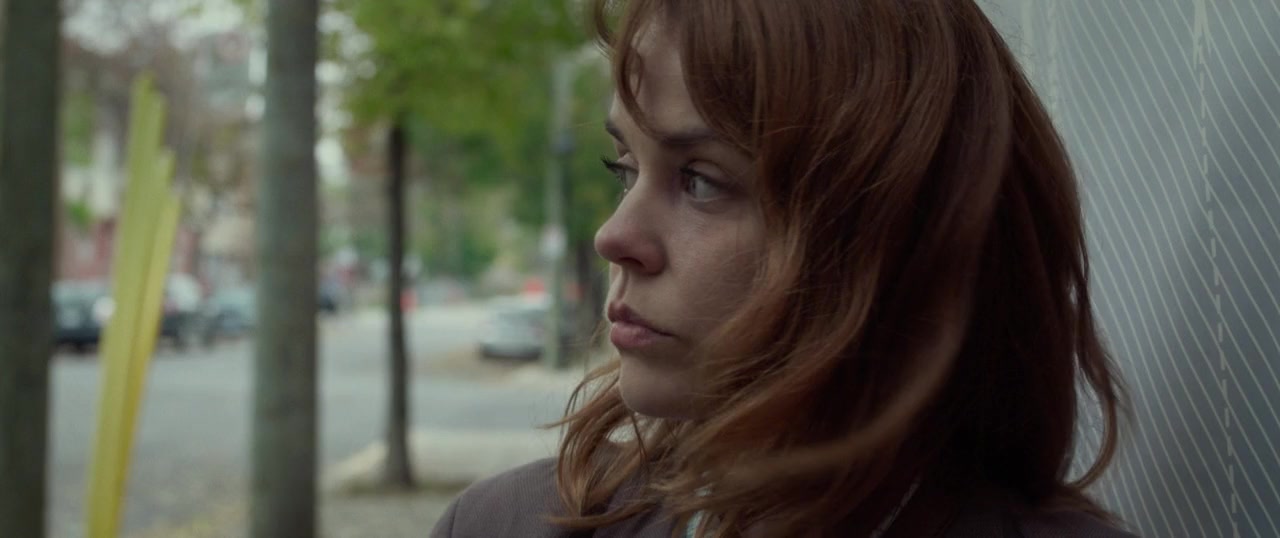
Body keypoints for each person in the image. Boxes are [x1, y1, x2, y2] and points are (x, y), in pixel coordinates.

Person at [433, 0, 1138, 536]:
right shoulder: (508, 523)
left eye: (700, 180)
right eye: (625, 168)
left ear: (894, 233)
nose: (614, 238)